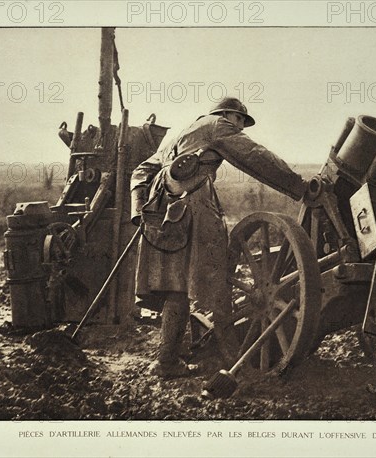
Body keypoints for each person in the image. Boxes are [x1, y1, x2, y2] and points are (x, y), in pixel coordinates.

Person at [130, 97, 308, 378]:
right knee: (218, 279)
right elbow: (256, 157)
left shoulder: (180, 132)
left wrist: (139, 208)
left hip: (162, 209)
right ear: (227, 115)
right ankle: (235, 358)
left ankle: (166, 362)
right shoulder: (218, 125)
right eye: (239, 120)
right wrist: (299, 186)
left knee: (176, 284)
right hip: (194, 205)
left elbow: (140, 171)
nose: (239, 127)